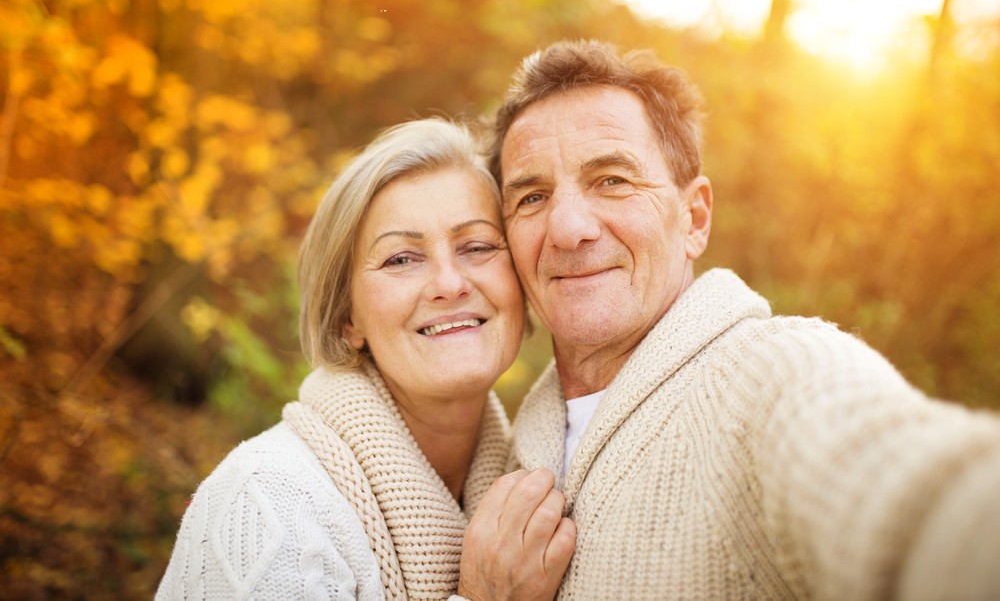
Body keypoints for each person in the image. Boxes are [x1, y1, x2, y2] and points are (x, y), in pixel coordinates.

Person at [457, 40, 1000, 600]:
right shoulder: (512, 444)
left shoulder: (777, 372)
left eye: (612, 181)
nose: (568, 228)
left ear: (693, 218)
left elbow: (915, 498)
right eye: (531, 197)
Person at [156, 118, 574, 600]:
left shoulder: (529, 484)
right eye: (401, 259)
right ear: (347, 318)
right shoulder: (267, 497)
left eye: (477, 247)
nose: (449, 284)